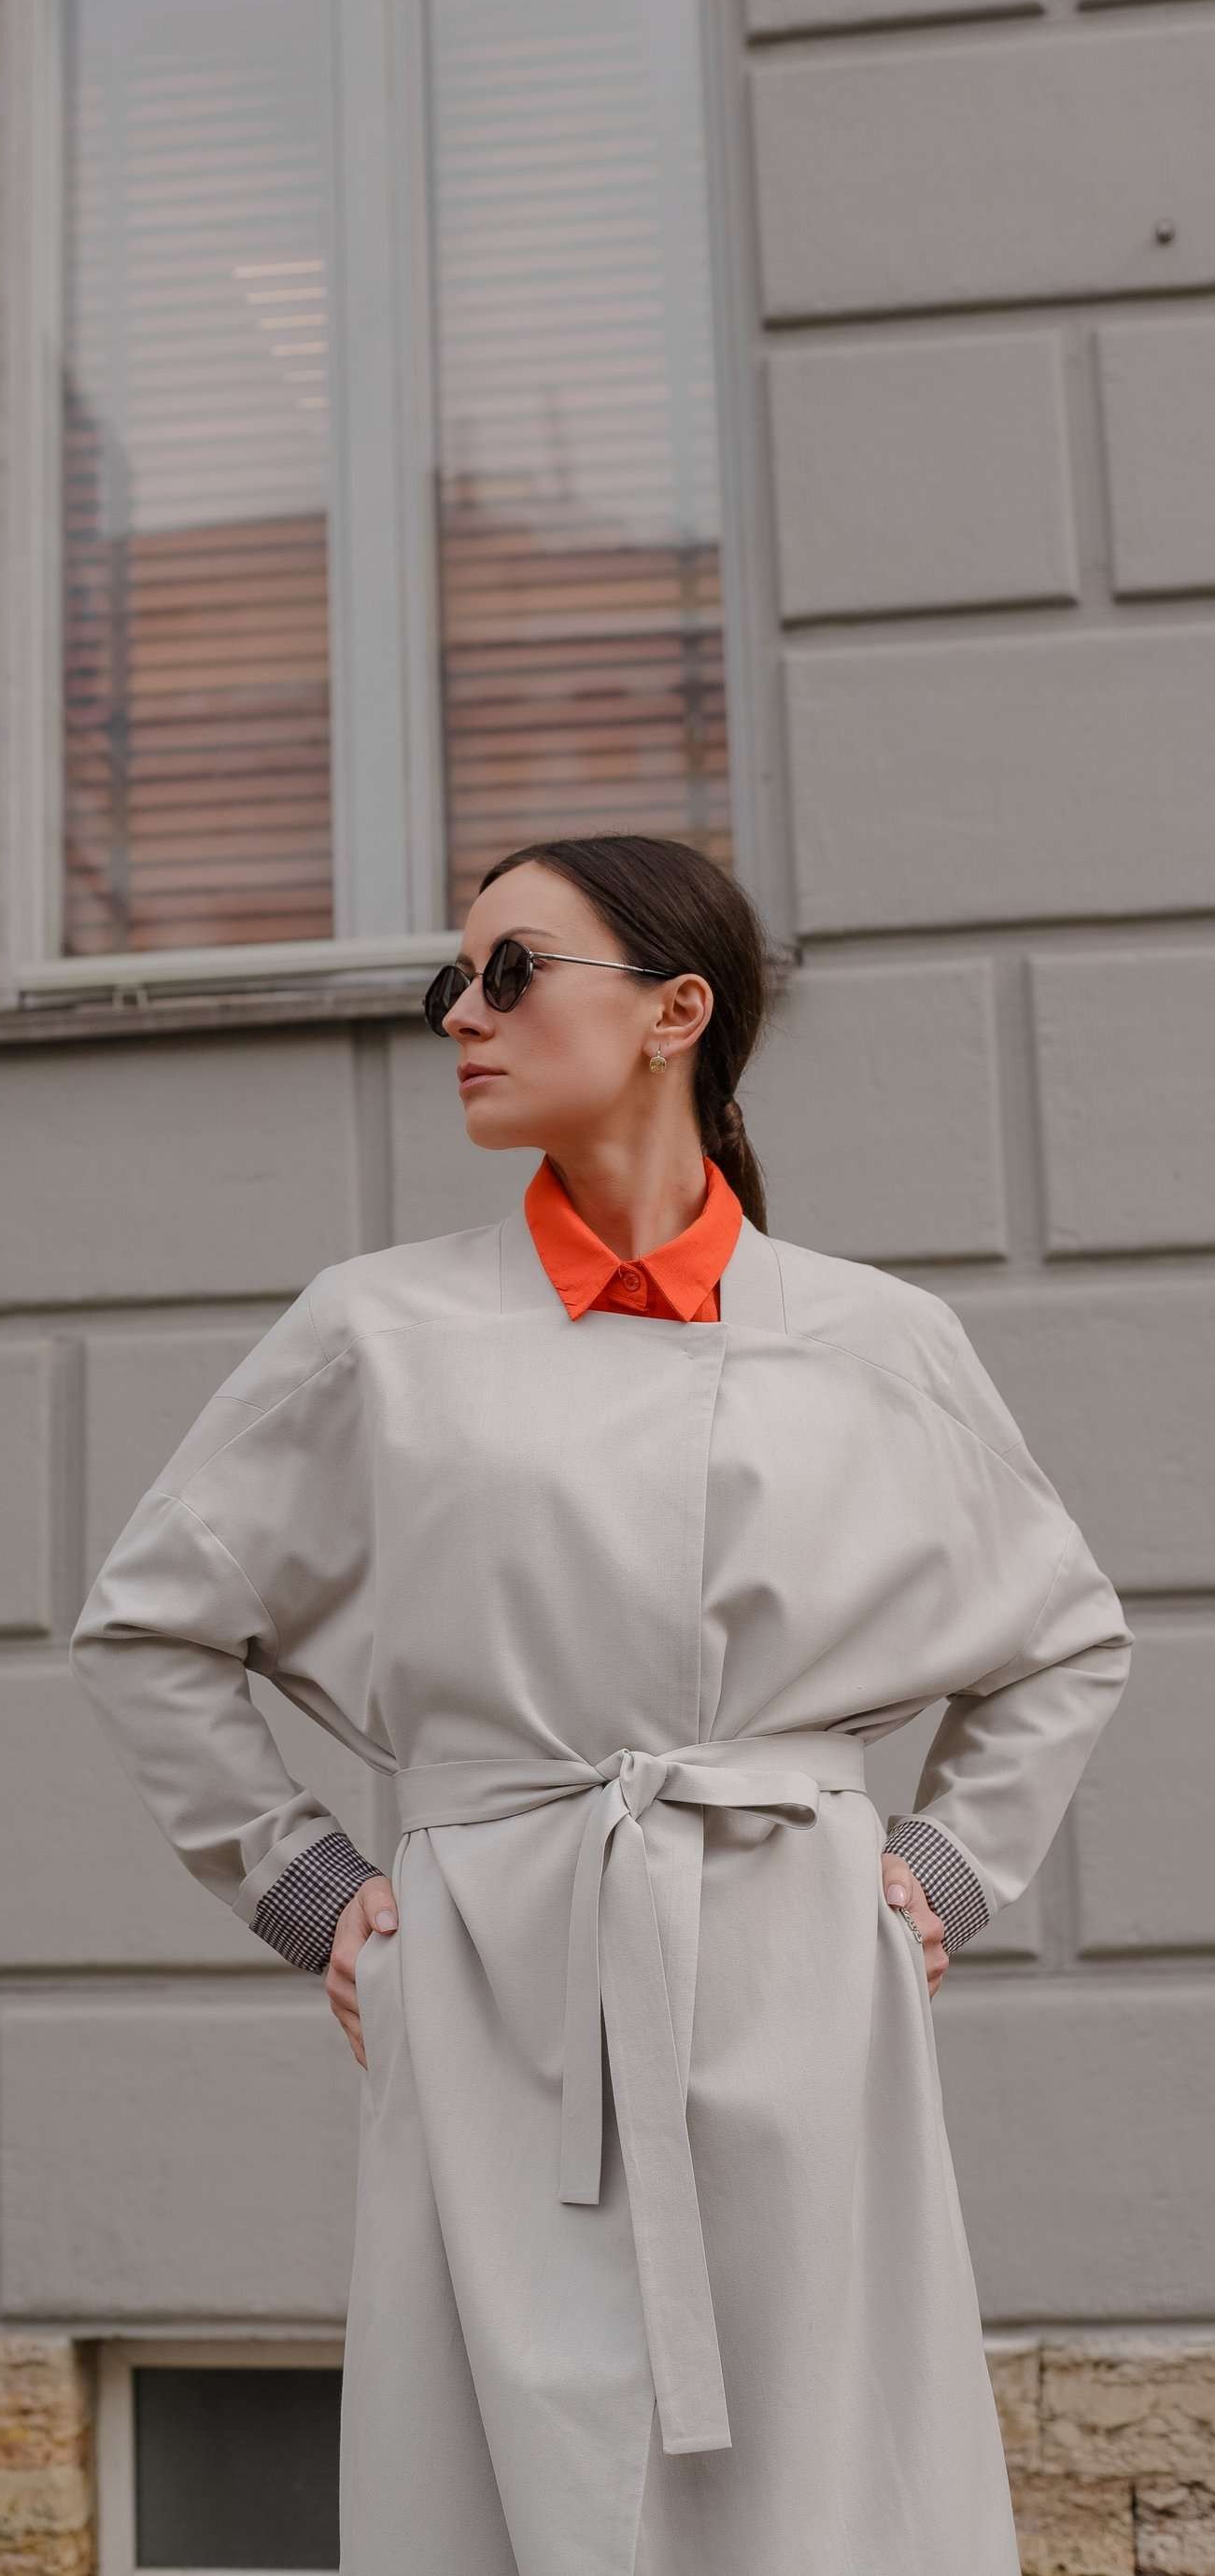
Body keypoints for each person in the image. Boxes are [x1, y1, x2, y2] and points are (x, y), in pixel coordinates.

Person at [68, 831, 1134, 2576]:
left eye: (508, 972)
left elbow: (1061, 1635)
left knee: (820, 2468)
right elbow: (147, 1627)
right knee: (506, 2467)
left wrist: (934, 1881)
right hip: (499, 1970)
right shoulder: (377, 1331)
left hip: (799, 1965)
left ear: (672, 1011)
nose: (458, 1015)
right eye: (452, 979)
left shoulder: (875, 1339)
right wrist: (313, 1894)